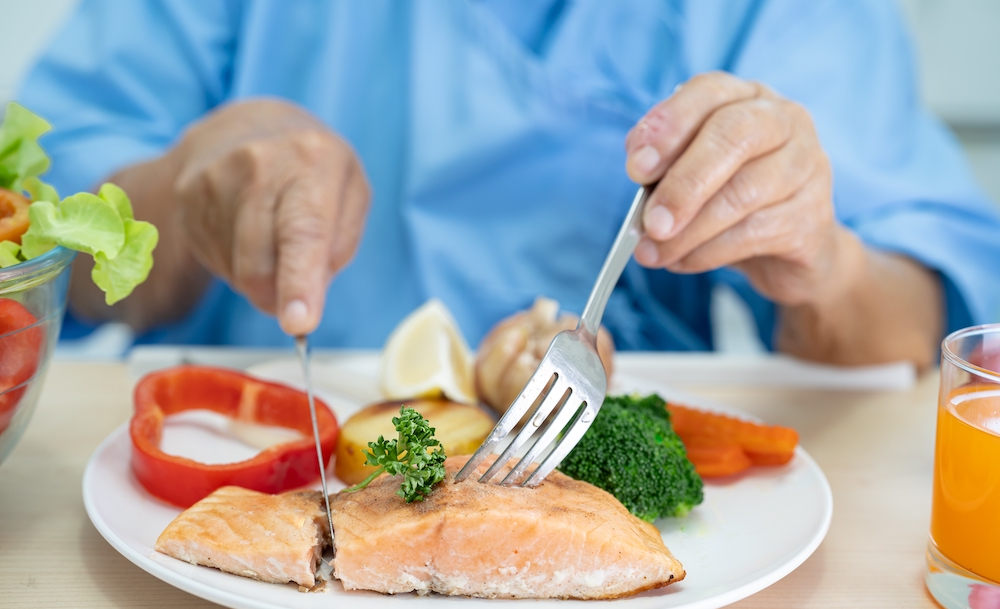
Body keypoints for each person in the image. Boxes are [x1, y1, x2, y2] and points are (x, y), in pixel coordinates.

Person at [19, 0, 1000, 370]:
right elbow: (42, 240)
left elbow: (922, 318)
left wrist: (819, 260)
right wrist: (188, 186)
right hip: (245, 478)